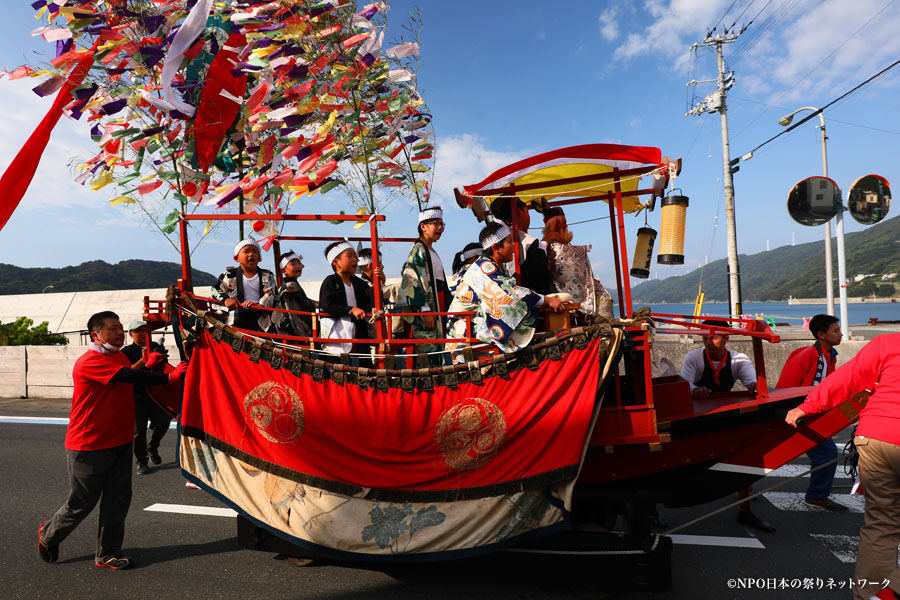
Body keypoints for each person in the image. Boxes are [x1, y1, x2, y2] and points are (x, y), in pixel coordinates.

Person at [38, 311, 187, 570]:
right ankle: (48, 534)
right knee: (81, 503)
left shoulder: (116, 356)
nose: (119, 332)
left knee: (118, 499)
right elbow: (125, 377)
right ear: (96, 334)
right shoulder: (89, 361)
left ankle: (108, 553)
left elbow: (127, 376)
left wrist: (149, 366)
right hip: (89, 444)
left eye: (120, 327)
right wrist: (167, 377)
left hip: (119, 441)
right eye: (112, 328)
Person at [785, 333, 900, 600]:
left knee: (882, 524)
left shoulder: (887, 343)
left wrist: (809, 406)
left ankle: (872, 594)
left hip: (876, 436)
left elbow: (850, 376)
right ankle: (892, 587)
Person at [680, 320, 772, 532]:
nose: (708, 342)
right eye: (705, 337)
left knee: (744, 457)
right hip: (698, 416)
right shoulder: (694, 357)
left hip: (726, 414)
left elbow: (751, 382)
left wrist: (755, 386)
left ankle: (745, 510)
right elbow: (685, 382)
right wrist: (694, 390)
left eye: (714, 337)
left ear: (727, 338)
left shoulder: (739, 359)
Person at [446, 222, 564, 356]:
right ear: (496, 247)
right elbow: (511, 292)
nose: (514, 246)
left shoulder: (492, 265)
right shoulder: (485, 267)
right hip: (464, 336)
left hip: (471, 330)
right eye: (510, 242)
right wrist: (546, 300)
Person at [776, 314, 847, 511]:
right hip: (796, 415)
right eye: (836, 331)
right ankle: (816, 496)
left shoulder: (829, 356)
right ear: (821, 335)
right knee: (827, 452)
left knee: (826, 452)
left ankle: (817, 495)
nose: (841, 334)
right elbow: (785, 389)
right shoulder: (807, 354)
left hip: (810, 414)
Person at [542, 207, 614, 320]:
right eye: (562, 223)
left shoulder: (564, 246)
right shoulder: (551, 248)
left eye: (565, 222)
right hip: (566, 297)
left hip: (588, 292)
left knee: (604, 299)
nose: (565, 226)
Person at [395, 206, 450, 357]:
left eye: (442, 224)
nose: (440, 228)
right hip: (428, 304)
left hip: (439, 300)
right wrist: (425, 310)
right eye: (435, 223)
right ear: (423, 226)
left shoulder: (431, 250)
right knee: (429, 348)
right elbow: (412, 280)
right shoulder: (419, 249)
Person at [121, 321, 171, 475]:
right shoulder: (126, 351)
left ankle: (153, 447)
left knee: (164, 420)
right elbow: (125, 372)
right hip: (136, 396)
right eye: (139, 331)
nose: (143, 333)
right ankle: (141, 461)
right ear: (131, 334)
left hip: (155, 394)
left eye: (145, 330)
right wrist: (143, 361)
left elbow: (164, 366)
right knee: (138, 432)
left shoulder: (155, 346)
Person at [318, 241, 373, 356]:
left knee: (363, 361)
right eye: (349, 256)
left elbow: (370, 299)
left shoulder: (358, 282)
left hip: (358, 330)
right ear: (335, 262)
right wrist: (351, 310)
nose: (355, 260)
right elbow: (327, 306)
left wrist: (378, 282)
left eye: (355, 256)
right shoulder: (330, 281)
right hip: (338, 331)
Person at [490, 195, 553, 295]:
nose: (529, 217)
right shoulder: (529, 242)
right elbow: (540, 280)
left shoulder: (495, 239)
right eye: (527, 212)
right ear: (519, 212)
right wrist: (544, 244)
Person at [211, 238, 277, 332]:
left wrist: (259, 305)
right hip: (235, 316)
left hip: (260, 315)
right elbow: (216, 289)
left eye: (255, 251)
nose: (251, 254)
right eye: (246, 251)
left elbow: (270, 292)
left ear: (259, 257)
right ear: (236, 258)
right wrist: (227, 299)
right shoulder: (229, 275)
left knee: (263, 339)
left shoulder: (267, 275)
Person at [275, 250, 317, 338]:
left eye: (299, 263)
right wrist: (318, 304)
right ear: (284, 271)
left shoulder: (289, 285)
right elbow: (304, 303)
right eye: (293, 264)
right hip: (293, 327)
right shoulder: (289, 288)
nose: (298, 266)